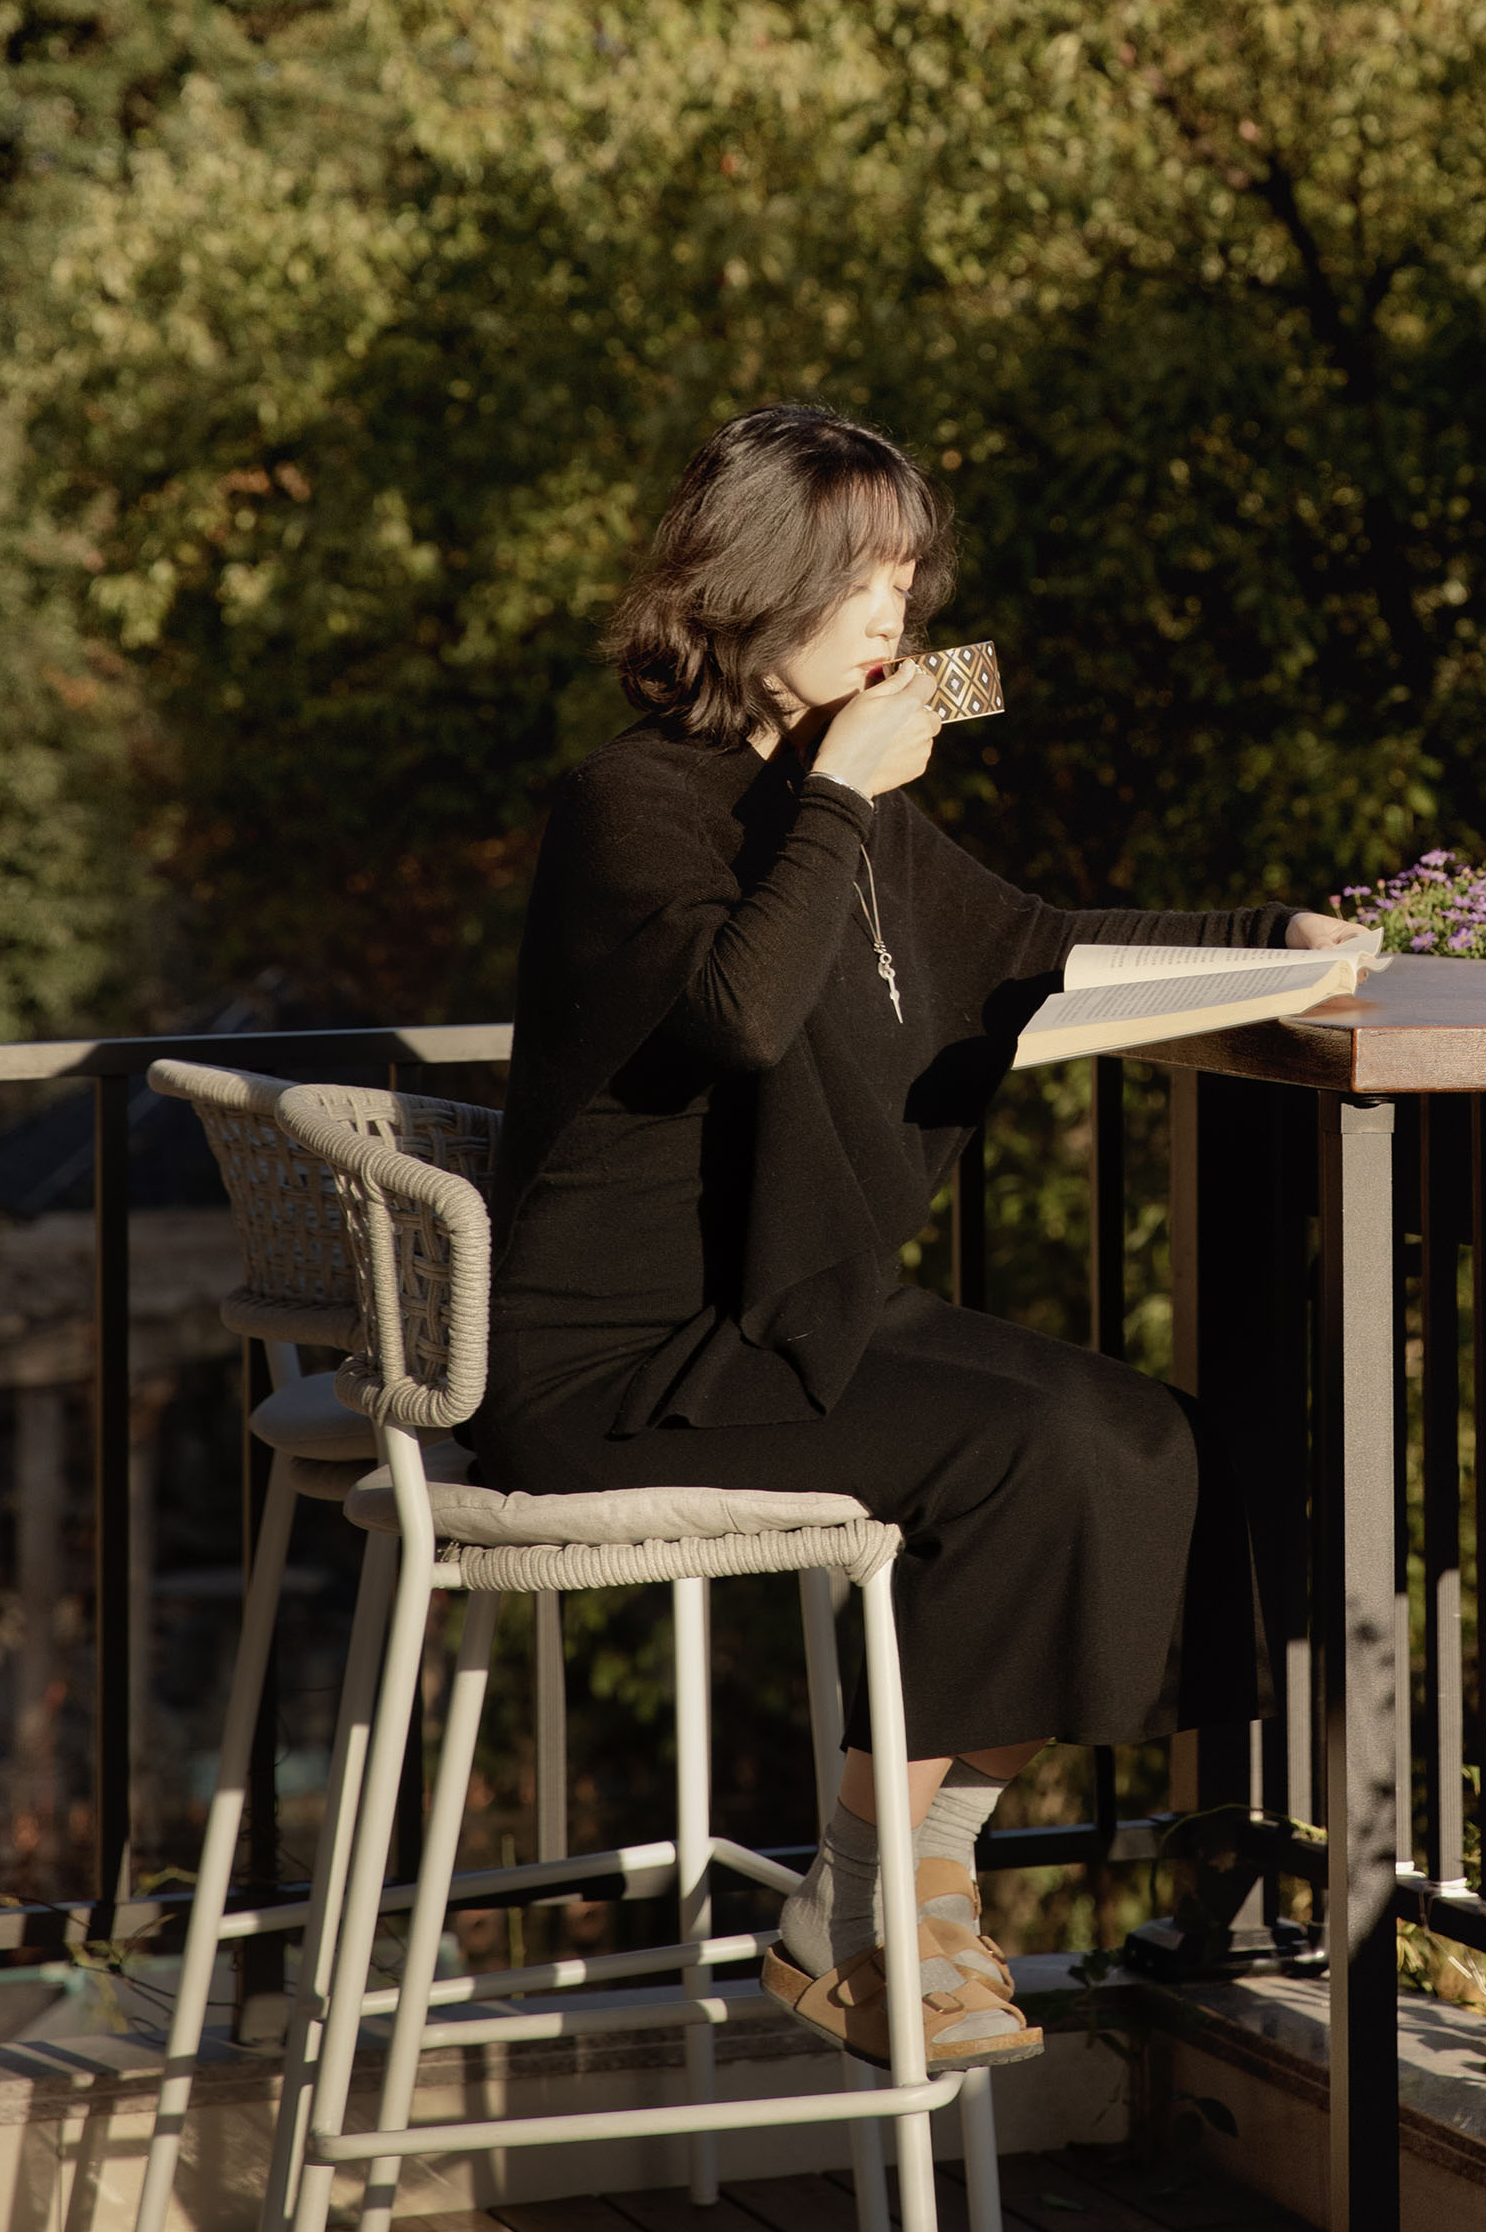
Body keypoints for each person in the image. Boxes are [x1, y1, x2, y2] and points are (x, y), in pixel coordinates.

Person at [480, 401, 1355, 2066]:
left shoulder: (844, 802)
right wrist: (838, 794)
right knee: (1026, 1455)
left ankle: (914, 1877)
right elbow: (742, 1014)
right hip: (610, 1367)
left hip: (779, 1318)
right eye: (864, 576)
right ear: (758, 584)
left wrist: (1273, 937)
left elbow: (1029, 944)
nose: (900, 612)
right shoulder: (629, 801)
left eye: (908, 578)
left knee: (1152, 1445)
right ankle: (862, 1904)